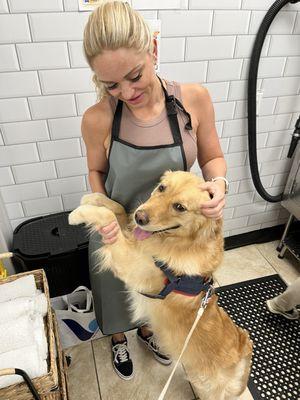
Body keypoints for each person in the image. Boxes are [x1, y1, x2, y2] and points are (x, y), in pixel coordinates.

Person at [82, 1, 227, 380]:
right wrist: (105, 218)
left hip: (168, 242)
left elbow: (212, 158)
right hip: (117, 234)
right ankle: (117, 339)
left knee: (156, 302)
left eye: (134, 75)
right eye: (111, 84)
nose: (126, 92)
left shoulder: (193, 100)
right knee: (115, 300)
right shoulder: (98, 119)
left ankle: (146, 332)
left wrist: (218, 184)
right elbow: (96, 171)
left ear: (154, 51)